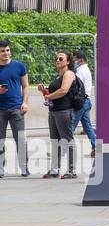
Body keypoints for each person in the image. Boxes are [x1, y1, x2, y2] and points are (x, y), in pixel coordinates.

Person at [38, 51, 79, 179]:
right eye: (56, 58)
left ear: (68, 62)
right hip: (54, 111)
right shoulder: (58, 75)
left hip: (64, 111)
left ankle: (72, 170)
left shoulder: (69, 73)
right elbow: (51, 94)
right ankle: (55, 170)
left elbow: (63, 90)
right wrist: (43, 90)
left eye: (61, 58)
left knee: (67, 140)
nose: (57, 60)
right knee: (55, 141)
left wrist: (48, 95)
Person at [0, 39, 31, 178]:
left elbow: (25, 86)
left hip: (16, 108)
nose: (6, 53)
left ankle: (24, 166)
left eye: (7, 50)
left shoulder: (19, 66)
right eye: (2, 51)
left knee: (20, 138)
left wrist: (24, 103)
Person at [71, 50, 96, 159]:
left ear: (80, 60)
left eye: (74, 59)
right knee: (88, 127)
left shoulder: (80, 71)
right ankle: (97, 148)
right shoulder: (85, 69)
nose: (73, 61)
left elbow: (75, 86)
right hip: (86, 101)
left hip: (81, 102)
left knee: (69, 126)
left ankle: (59, 150)